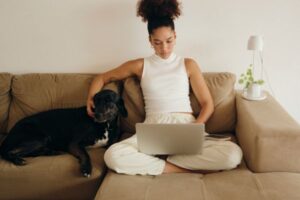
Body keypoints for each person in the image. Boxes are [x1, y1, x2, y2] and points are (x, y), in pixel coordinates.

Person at [86, 0, 242, 175]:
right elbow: (102, 77)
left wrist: (195, 127)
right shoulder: (140, 65)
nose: (164, 48)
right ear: (150, 41)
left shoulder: (188, 64)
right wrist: (90, 99)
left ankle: (163, 161)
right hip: (154, 126)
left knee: (233, 154)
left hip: (186, 125)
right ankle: (179, 168)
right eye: (157, 42)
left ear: (175, 35)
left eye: (168, 40)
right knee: (112, 156)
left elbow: (208, 103)